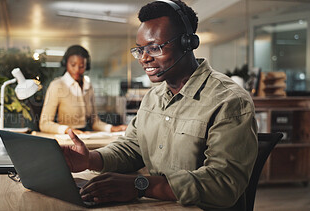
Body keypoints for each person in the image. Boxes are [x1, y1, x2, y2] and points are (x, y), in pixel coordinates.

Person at [61, 0, 258, 210]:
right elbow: (132, 148)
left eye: (154, 48)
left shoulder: (230, 101)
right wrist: (90, 159)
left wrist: (141, 185)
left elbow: (223, 184)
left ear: (187, 43)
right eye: (139, 50)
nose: (144, 58)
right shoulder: (153, 98)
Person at [39, 45, 127, 134]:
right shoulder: (56, 86)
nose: (77, 70)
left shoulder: (88, 87)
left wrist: (112, 128)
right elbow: (44, 124)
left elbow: (95, 122)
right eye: (73, 65)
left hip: (85, 136)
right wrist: (67, 130)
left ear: (86, 66)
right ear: (65, 63)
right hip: (65, 138)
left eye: (81, 66)